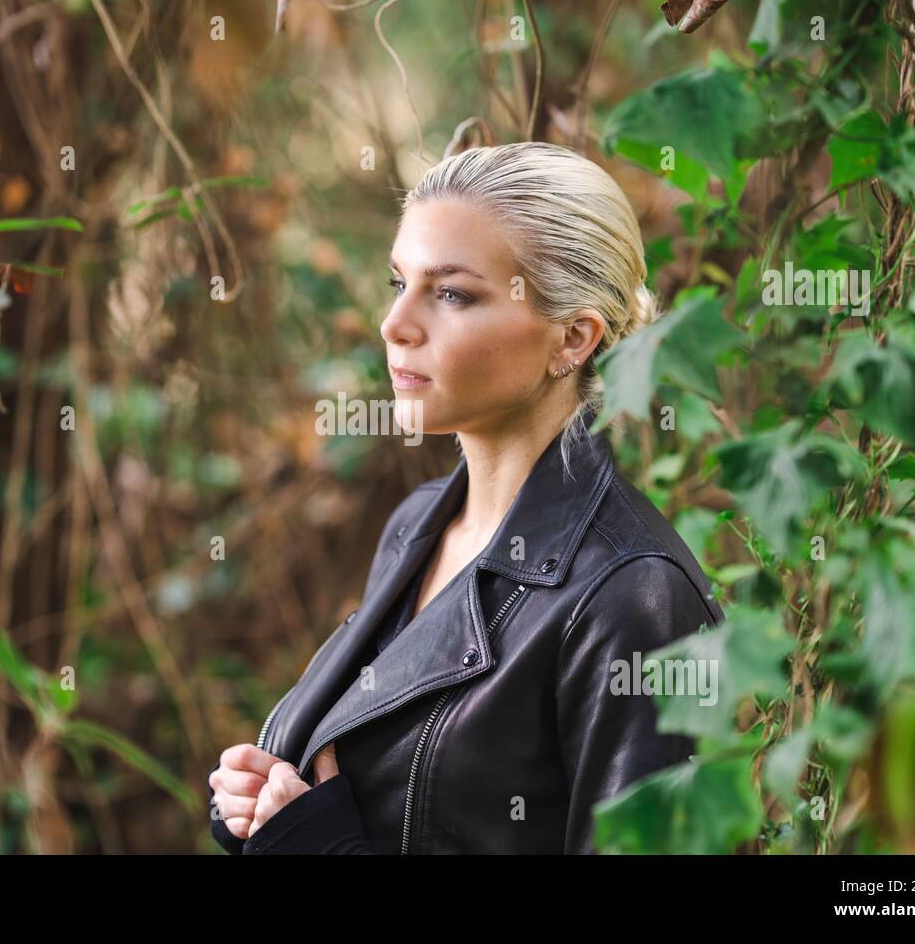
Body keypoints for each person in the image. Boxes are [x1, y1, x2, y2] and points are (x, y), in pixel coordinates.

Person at [207, 141, 725, 854]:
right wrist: (266, 803)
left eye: (451, 293)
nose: (396, 325)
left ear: (572, 338)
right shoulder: (418, 523)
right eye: (399, 283)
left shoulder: (632, 599)